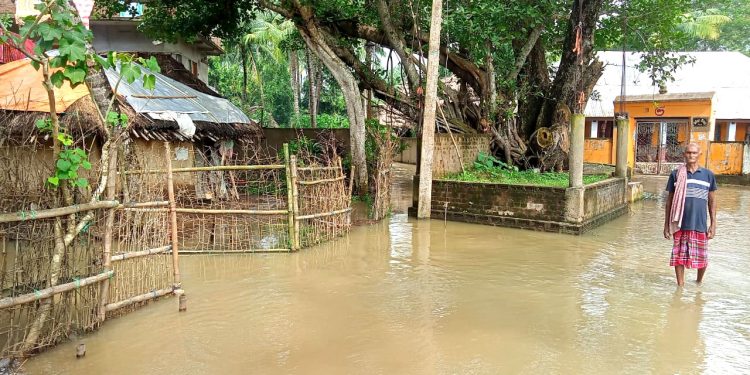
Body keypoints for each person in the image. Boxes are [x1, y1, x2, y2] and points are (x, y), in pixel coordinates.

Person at [663, 143, 717, 286]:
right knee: (678, 256)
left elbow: (712, 202)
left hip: (699, 223)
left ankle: (699, 282)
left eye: (694, 153)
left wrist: (713, 224)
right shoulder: (676, 174)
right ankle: (680, 286)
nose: (691, 155)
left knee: (702, 257)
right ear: (684, 155)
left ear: (700, 154)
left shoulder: (708, 175)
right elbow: (669, 201)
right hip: (679, 223)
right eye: (688, 153)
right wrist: (666, 224)